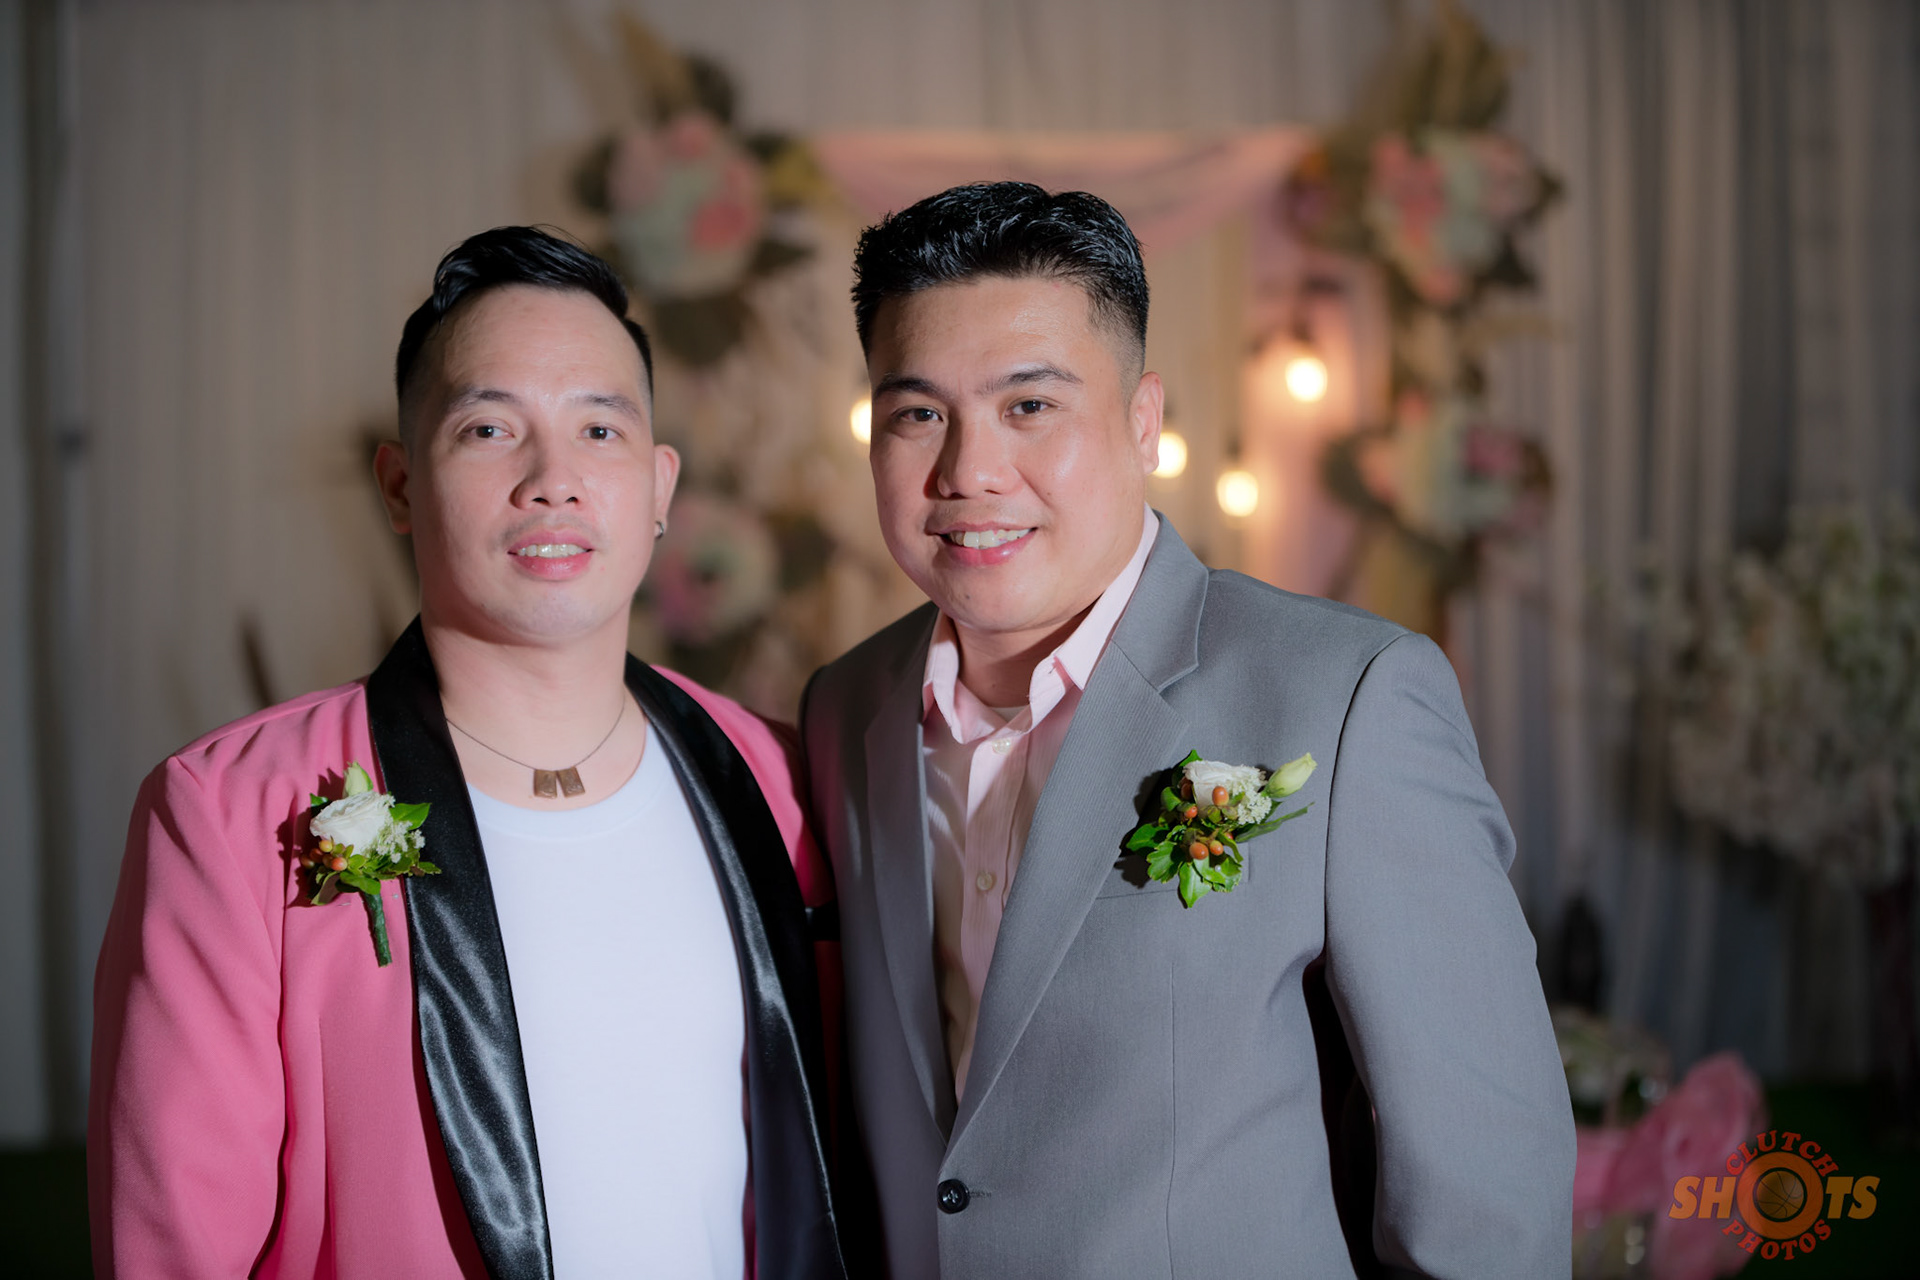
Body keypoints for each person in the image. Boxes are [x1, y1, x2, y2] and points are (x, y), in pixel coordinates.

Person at [800, 183, 1575, 1278]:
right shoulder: (845, 709)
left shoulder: (1346, 698)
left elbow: (1488, 1201)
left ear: (1144, 422)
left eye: (1030, 405)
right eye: (917, 413)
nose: (968, 471)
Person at [89, 226, 849, 1280]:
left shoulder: (780, 778)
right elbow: (176, 1245)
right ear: (400, 485)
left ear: (660, 487)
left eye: (599, 429)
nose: (553, 480)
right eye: (489, 428)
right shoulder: (230, 810)